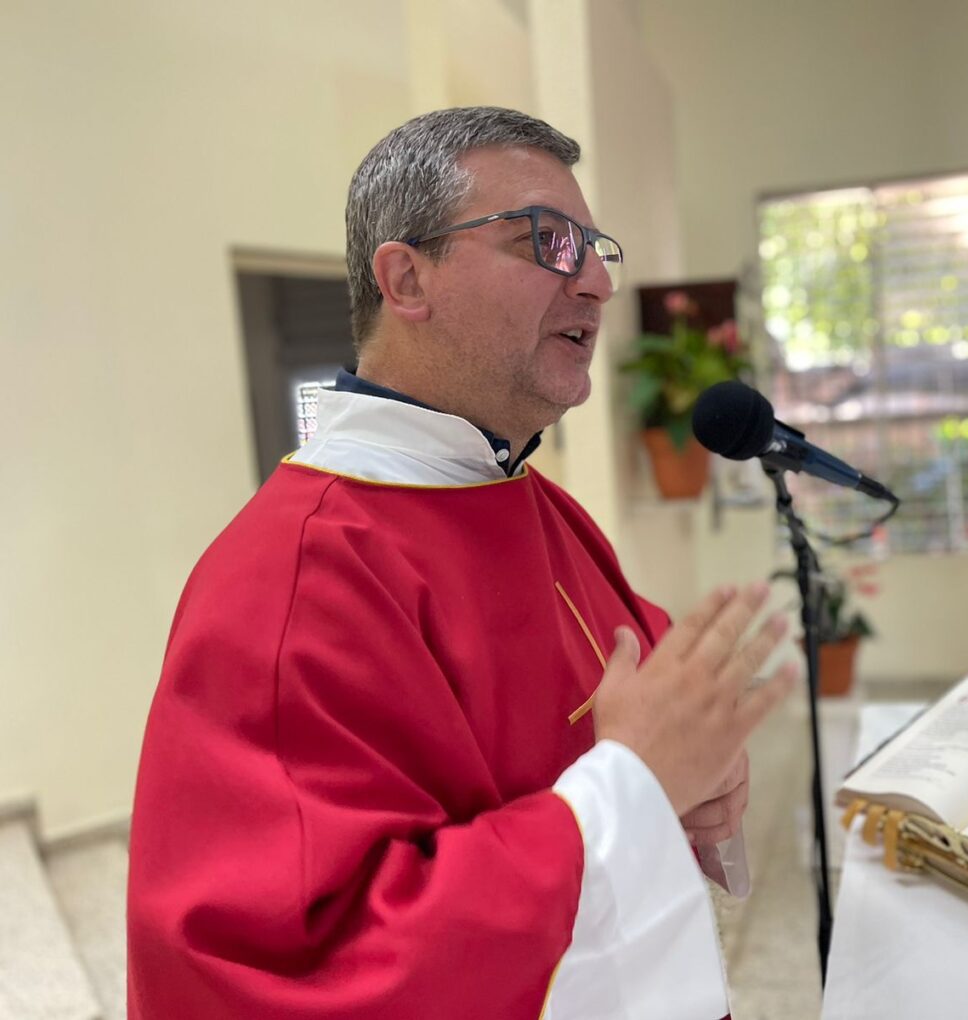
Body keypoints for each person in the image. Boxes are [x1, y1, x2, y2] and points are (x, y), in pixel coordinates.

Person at [127, 106, 796, 1019]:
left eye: (595, 246)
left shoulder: (530, 500)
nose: (597, 281)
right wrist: (636, 786)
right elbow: (307, 972)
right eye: (549, 241)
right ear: (406, 279)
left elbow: (650, 718)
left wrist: (698, 782)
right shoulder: (295, 576)